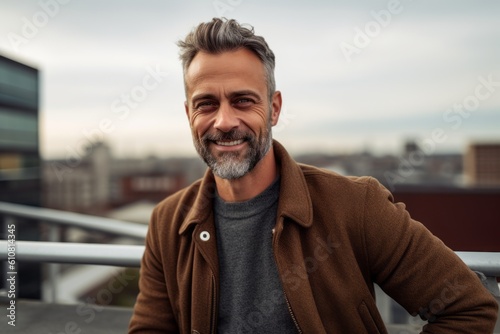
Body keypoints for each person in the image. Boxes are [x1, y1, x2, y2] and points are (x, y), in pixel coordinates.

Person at [128, 18, 498, 333]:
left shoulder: (356, 205)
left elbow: (467, 307)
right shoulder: (168, 222)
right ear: (188, 114)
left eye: (243, 100)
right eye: (206, 103)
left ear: (273, 109)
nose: (224, 122)